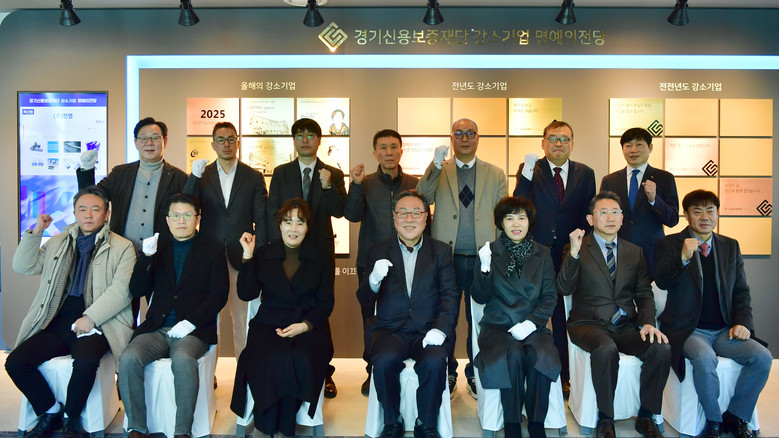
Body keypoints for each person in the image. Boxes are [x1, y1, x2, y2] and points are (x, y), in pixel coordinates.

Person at [7, 187, 136, 438]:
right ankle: (50, 410)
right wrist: (36, 232)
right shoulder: (59, 241)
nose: (88, 215)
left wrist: (91, 318)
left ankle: (72, 418)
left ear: (107, 214)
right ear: (75, 213)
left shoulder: (122, 247)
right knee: (16, 362)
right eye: (82, 209)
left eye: (95, 209)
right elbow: (23, 266)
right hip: (57, 322)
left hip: (99, 323)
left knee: (86, 361)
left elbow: (121, 291)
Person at [654, 190, 772, 438]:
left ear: (718, 214)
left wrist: (742, 322)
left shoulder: (730, 245)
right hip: (689, 329)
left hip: (724, 330)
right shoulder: (669, 244)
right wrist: (683, 258)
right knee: (705, 359)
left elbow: (741, 291)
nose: (704, 217)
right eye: (697, 211)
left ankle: (737, 416)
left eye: (710, 211)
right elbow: (662, 281)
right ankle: (714, 420)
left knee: (762, 357)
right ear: (686, 215)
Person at [556, 191, 669, 438]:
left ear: (622, 218)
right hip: (588, 324)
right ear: (590, 219)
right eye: (603, 212)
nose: (610, 217)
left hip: (626, 325)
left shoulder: (634, 251)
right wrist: (573, 253)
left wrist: (648, 322)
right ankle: (606, 419)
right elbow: (564, 288)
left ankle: (646, 415)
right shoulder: (577, 247)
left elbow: (644, 293)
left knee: (660, 348)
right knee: (606, 348)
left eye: (615, 212)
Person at [118, 193, 228, 438]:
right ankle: (136, 426)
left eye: (187, 215)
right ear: (167, 220)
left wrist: (191, 322)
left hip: (193, 330)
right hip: (157, 327)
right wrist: (147, 257)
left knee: (183, 359)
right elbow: (137, 289)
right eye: (176, 215)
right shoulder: (158, 247)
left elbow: (219, 295)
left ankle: (182, 431)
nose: (181, 220)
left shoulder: (213, 249)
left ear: (197, 218)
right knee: (129, 358)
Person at [416, 118, 507, 399]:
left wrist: (497, 254)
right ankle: (448, 372)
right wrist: (434, 165)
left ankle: (475, 373)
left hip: (483, 258)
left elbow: (503, 216)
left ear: (478, 137)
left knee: (479, 319)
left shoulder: (495, 173)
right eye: (459, 133)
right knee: (446, 317)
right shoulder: (440, 170)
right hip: (447, 258)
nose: (464, 138)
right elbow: (422, 197)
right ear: (451, 138)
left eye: (470, 133)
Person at [357, 190, 459, 438]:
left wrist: (440, 329)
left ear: (426, 217)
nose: (409, 219)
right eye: (403, 213)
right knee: (383, 361)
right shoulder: (377, 251)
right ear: (394, 217)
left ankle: (427, 424)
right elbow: (364, 300)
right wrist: (373, 281)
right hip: (391, 331)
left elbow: (450, 296)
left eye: (416, 213)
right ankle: (392, 422)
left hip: (428, 331)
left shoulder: (441, 252)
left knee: (435, 362)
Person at [230, 198, 334, 438]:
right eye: (288, 222)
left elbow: (326, 302)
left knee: (297, 357)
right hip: (267, 324)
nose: (293, 228)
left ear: (307, 227)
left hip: (307, 326)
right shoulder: (264, 253)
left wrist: (304, 326)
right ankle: (266, 426)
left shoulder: (320, 256)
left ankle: (282, 427)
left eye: (300, 222)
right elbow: (246, 293)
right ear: (279, 225)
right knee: (268, 357)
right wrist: (247, 256)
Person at [513, 120, 596, 395]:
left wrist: (579, 248)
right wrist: (526, 173)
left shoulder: (586, 173)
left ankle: (564, 374)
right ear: (543, 142)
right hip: (535, 251)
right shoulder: (530, 169)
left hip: (569, 253)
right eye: (552, 138)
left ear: (572, 143)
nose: (558, 143)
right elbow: (519, 205)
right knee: (529, 310)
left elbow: (587, 214)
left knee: (563, 314)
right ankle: (529, 369)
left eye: (564, 139)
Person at [266, 117, 346, 398]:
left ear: (319, 140)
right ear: (293, 141)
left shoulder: (333, 173)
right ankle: (288, 363)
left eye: (310, 135)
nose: (304, 139)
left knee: (320, 309)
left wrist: (328, 187)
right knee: (287, 305)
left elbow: (340, 211)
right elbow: (273, 211)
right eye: (299, 135)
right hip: (288, 254)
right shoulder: (281, 172)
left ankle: (324, 372)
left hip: (321, 253)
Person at [471, 196, 560, 438]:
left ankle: (536, 423)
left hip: (533, 326)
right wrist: (485, 267)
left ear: (530, 221)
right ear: (501, 223)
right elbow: (479, 296)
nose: (516, 224)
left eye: (521, 217)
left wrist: (531, 323)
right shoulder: (489, 251)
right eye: (509, 218)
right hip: (498, 326)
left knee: (541, 354)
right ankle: (512, 423)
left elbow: (549, 295)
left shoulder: (543, 253)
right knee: (514, 355)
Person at [344, 129, 420, 395]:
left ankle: (401, 367)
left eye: (394, 147)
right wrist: (355, 185)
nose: (389, 152)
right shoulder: (365, 183)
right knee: (371, 320)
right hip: (371, 263)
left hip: (408, 262)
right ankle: (373, 370)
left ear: (401, 150)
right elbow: (352, 215)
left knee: (406, 316)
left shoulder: (414, 183)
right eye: (383, 148)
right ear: (375, 152)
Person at [184, 121, 268, 358]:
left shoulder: (253, 177)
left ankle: (245, 371)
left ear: (238, 142)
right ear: (213, 144)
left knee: (243, 320)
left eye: (231, 139)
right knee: (208, 318)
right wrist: (194, 177)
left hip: (241, 257)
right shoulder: (202, 175)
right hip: (208, 257)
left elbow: (262, 220)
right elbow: (186, 206)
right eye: (220, 140)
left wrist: (256, 256)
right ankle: (208, 372)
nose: (226, 144)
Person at [77, 117, 188, 253]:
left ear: (165, 141)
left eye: (155, 138)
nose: (149, 143)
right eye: (143, 138)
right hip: (120, 253)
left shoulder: (179, 178)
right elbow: (91, 198)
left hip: (162, 254)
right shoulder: (120, 173)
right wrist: (87, 169)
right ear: (136, 142)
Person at [599, 127, 678, 275]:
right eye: (628, 145)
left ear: (650, 147)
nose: (633, 150)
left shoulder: (664, 178)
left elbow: (672, 219)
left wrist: (654, 200)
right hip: (617, 251)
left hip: (651, 252)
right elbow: (601, 216)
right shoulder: (610, 180)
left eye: (639, 145)